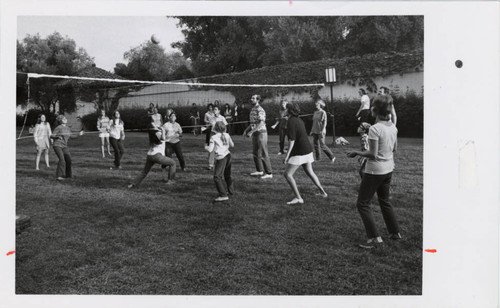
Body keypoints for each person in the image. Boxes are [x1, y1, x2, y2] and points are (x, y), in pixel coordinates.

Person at [347, 95, 401, 249]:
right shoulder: (393, 127)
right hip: (389, 169)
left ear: (375, 110)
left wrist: (357, 152)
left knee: (362, 203)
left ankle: (374, 238)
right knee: (385, 201)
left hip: (375, 171)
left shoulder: (375, 129)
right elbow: (395, 148)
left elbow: (373, 154)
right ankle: (395, 233)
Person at [283, 103, 328, 205]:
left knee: (287, 174)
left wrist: (287, 156)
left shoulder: (291, 121)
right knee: (310, 172)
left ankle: (298, 198)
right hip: (308, 150)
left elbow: (292, 140)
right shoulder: (299, 120)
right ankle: (323, 193)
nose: (284, 110)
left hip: (300, 152)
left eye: (286, 109)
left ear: (289, 111)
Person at [128, 116, 176, 188]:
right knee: (173, 163)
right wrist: (163, 130)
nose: (158, 122)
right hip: (157, 156)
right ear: (153, 124)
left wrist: (163, 130)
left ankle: (133, 184)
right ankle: (170, 180)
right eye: (156, 121)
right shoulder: (156, 132)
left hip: (150, 155)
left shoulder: (154, 131)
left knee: (144, 172)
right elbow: (163, 138)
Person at [244, 94, 273, 179]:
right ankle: (259, 170)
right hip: (255, 133)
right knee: (255, 153)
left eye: (253, 98)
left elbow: (261, 123)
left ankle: (269, 173)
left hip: (261, 133)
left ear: (258, 100)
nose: (251, 99)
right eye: (251, 97)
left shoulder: (260, 110)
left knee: (264, 153)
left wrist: (251, 132)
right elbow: (252, 123)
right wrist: (246, 130)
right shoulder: (253, 109)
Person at [206, 121, 234, 202]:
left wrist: (205, 147)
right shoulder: (227, 135)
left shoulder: (213, 137)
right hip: (228, 156)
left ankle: (223, 195)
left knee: (217, 177)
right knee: (227, 175)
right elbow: (232, 145)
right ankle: (231, 191)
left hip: (221, 158)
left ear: (215, 128)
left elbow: (210, 150)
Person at [50, 115, 72, 181]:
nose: (65, 119)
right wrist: (57, 137)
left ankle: (68, 176)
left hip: (64, 146)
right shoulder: (58, 127)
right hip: (57, 145)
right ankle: (59, 176)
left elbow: (73, 136)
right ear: (60, 121)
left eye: (65, 118)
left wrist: (80, 134)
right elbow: (52, 136)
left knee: (68, 160)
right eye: (63, 118)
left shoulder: (68, 128)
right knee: (62, 159)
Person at [206, 106, 227, 170]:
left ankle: (222, 164)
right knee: (211, 149)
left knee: (220, 149)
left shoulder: (222, 118)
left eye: (215, 109)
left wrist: (224, 135)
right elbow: (209, 127)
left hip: (220, 134)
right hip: (213, 134)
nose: (214, 110)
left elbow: (225, 128)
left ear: (219, 111)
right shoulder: (211, 118)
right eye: (213, 109)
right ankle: (211, 164)